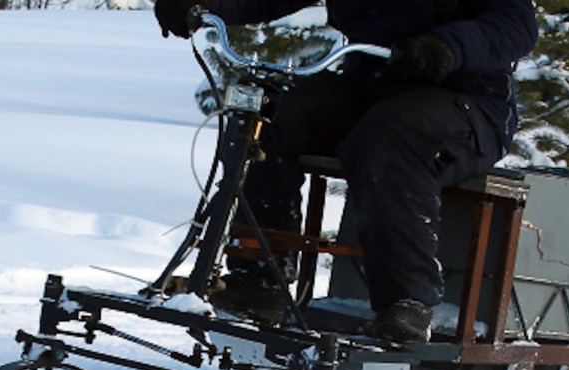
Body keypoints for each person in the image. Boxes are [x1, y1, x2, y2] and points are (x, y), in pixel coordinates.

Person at [155, 0, 538, 342]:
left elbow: (517, 23)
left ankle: (407, 300)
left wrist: (449, 46)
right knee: (270, 115)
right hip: (370, 84)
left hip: (467, 99)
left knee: (389, 136)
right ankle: (259, 279)